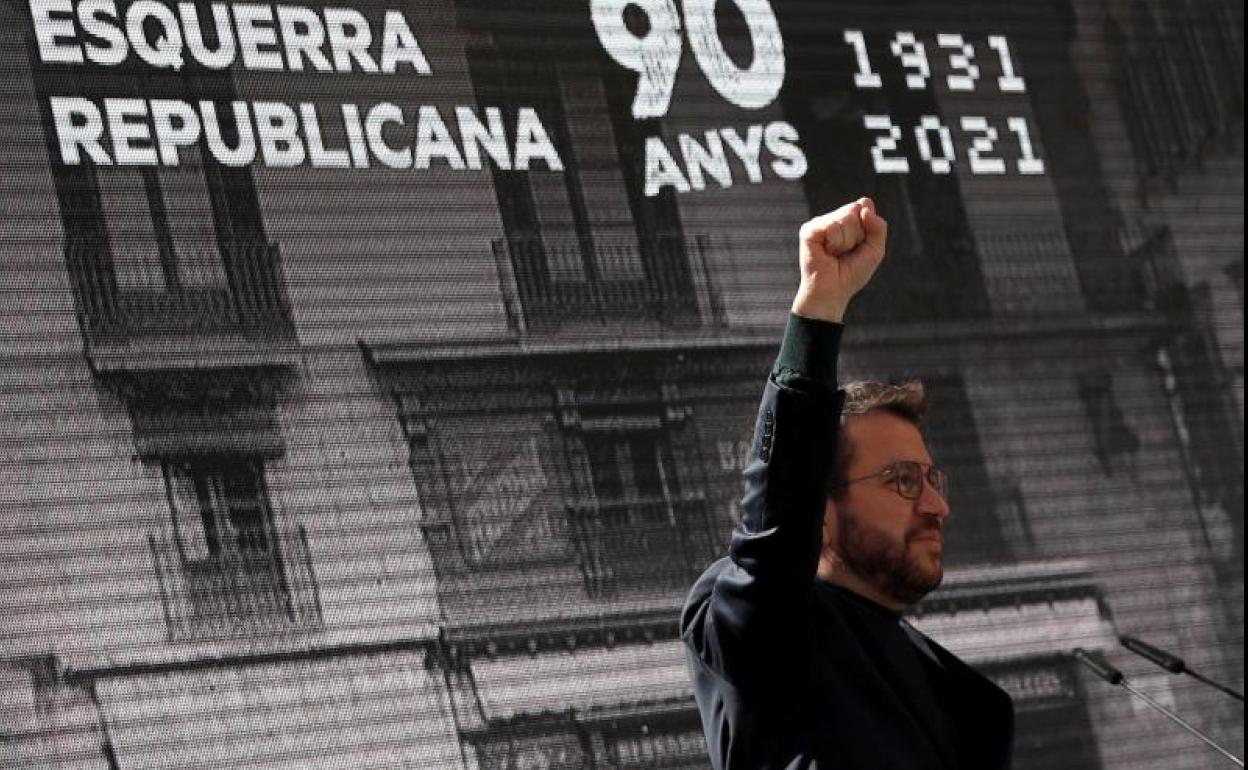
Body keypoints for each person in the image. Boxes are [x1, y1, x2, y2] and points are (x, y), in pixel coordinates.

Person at [681, 198, 1015, 769]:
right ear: (822, 510)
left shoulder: (946, 685)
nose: (938, 506)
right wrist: (821, 306)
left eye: (933, 479)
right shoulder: (763, 629)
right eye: (903, 481)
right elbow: (776, 526)